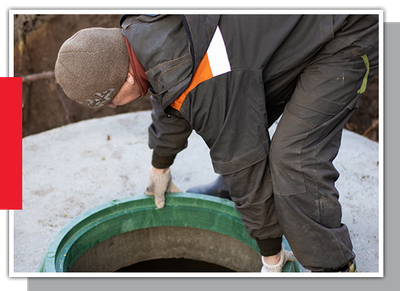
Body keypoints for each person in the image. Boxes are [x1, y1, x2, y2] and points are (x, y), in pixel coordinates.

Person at [54, 14, 378, 273]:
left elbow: (242, 160)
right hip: (283, 35)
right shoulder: (143, 32)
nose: (113, 107)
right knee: (241, 106)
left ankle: (333, 266)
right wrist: (160, 164)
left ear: (126, 76)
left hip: (346, 33)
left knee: (293, 159)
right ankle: (232, 195)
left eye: (111, 100)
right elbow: (168, 92)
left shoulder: (205, 82)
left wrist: (270, 254)